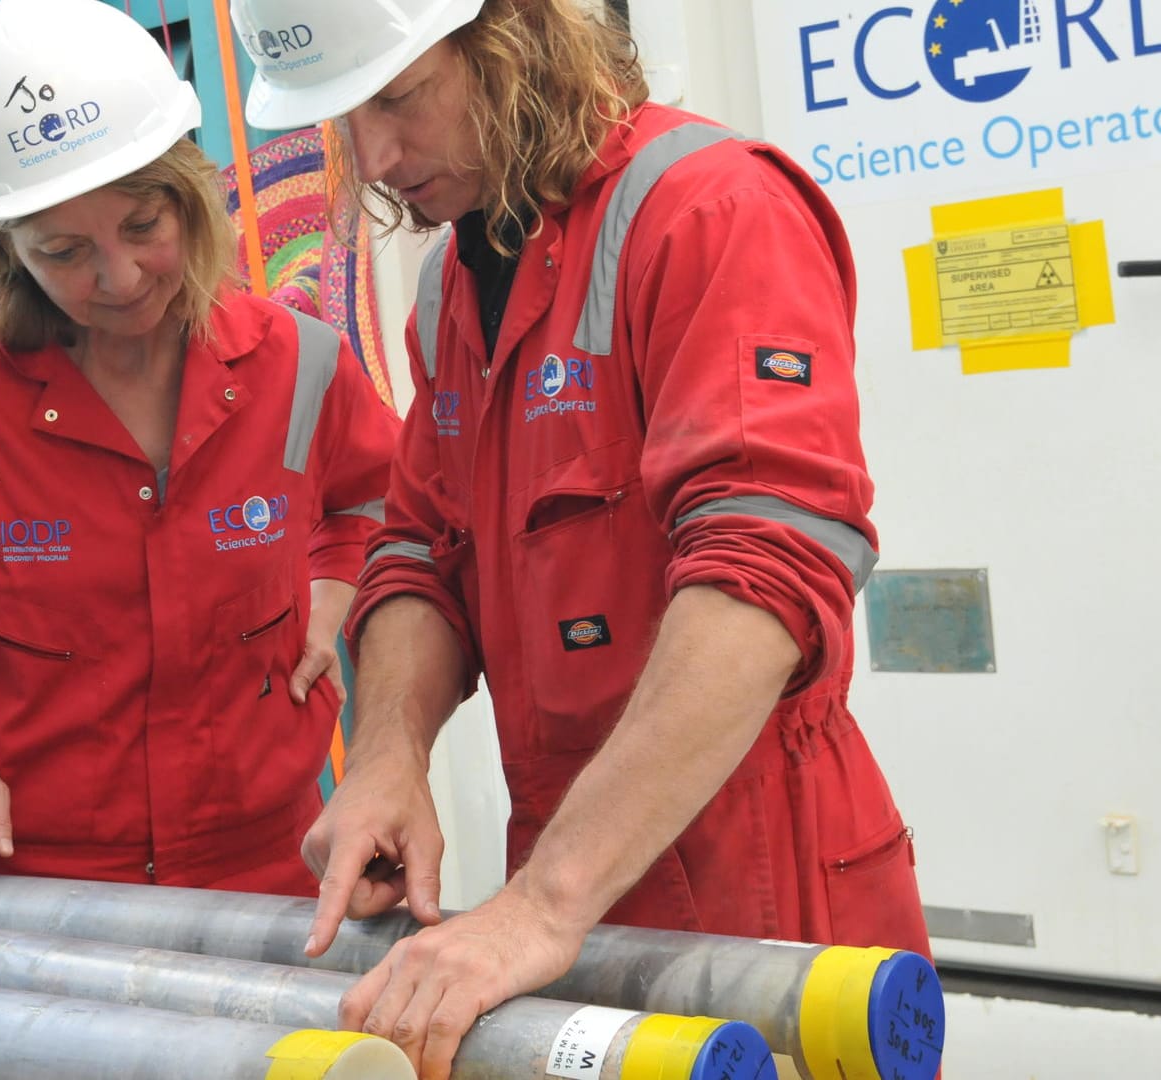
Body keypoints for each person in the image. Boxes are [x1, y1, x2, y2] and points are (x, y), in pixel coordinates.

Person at [233, 0, 933, 1073]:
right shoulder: (453, 288)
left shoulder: (708, 208)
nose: (373, 156)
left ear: (512, 37)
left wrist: (542, 907)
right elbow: (422, 552)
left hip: (755, 874)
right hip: (568, 872)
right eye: (343, 121)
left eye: (396, 98)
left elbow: (764, 574)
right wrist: (385, 760)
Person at [0, 0, 397, 892]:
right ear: (3, 253)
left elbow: (390, 500)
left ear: (190, 194)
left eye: (144, 226)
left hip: (270, 872)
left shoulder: (299, 366)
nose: (119, 276)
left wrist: (337, 582)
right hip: (40, 896)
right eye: (64, 250)